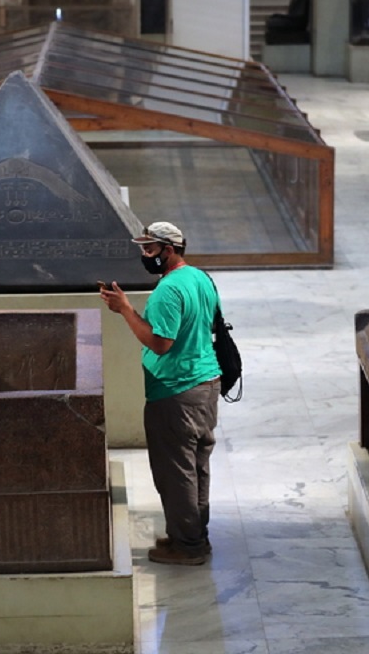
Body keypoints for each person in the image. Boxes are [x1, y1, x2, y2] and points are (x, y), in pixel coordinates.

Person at [99, 221, 222, 566]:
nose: (144, 254)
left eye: (150, 249)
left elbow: (160, 343)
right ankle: (194, 537)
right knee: (196, 467)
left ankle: (188, 547)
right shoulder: (199, 278)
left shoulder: (168, 290)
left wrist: (125, 309)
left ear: (169, 250)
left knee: (176, 473)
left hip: (176, 391)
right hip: (206, 384)